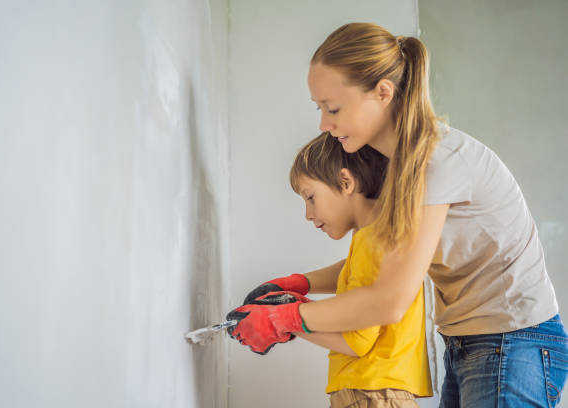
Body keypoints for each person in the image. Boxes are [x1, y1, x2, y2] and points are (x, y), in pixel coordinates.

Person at [227, 22, 568, 407]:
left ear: (383, 93)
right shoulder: (398, 168)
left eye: (333, 108)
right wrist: (301, 283)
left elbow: (390, 298)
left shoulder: (437, 163)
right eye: (319, 108)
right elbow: (388, 264)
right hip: (470, 341)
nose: (324, 123)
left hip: (513, 341)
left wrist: (287, 319)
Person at [228, 132, 432, 407]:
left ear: (345, 182)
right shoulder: (381, 239)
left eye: (310, 197)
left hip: (370, 395)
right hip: (378, 392)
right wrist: (299, 284)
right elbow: (353, 274)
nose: (308, 214)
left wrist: (285, 318)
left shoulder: (372, 242)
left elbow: (356, 341)